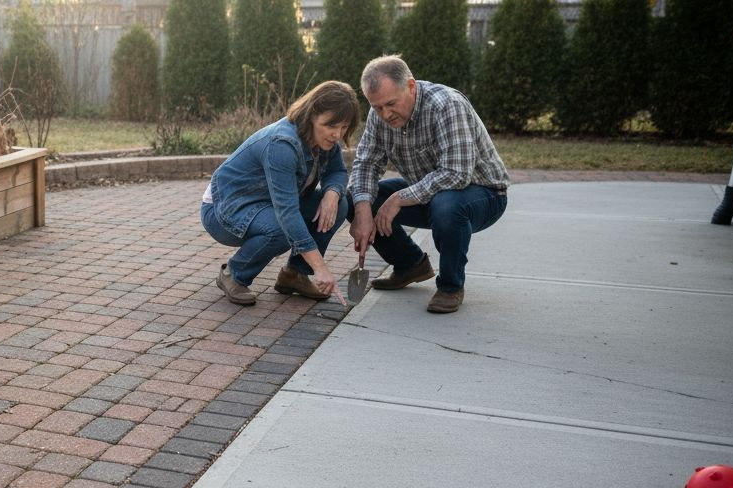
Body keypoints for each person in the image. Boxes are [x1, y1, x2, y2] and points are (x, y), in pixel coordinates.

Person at [347, 55, 510, 314]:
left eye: (391, 104)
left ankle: (450, 286)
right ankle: (410, 265)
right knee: (356, 199)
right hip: (427, 193)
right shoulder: (379, 113)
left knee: (446, 204)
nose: (384, 114)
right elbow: (366, 164)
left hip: (482, 194)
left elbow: (457, 174)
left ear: (411, 86)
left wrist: (399, 198)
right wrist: (363, 212)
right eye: (377, 107)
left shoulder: (447, 105)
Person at [201, 81, 361, 306]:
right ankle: (234, 274)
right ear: (312, 114)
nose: (337, 134)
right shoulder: (283, 144)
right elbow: (287, 213)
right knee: (281, 229)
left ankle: (294, 274)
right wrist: (320, 268)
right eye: (331, 125)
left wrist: (332, 194)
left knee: (340, 205)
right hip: (225, 210)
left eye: (344, 127)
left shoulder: (325, 139)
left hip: (267, 205)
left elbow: (336, 171)